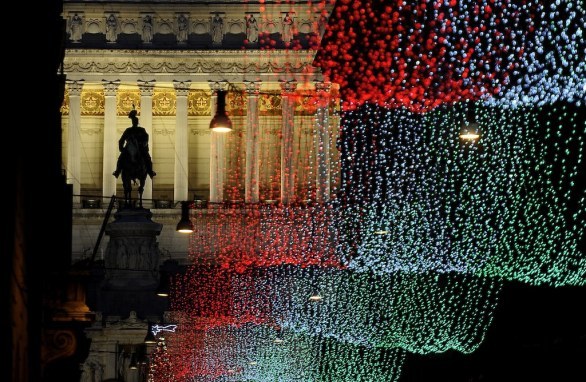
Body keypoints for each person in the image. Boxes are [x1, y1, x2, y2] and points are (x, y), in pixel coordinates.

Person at [113, 109, 156, 178]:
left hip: (140, 147)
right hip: (129, 148)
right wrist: (122, 149)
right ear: (133, 122)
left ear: (137, 122)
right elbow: (121, 140)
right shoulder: (128, 130)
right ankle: (117, 171)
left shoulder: (141, 130)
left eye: (136, 121)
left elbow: (146, 137)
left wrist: (143, 144)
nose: (135, 122)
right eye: (134, 121)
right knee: (121, 158)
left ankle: (150, 171)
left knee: (147, 158)